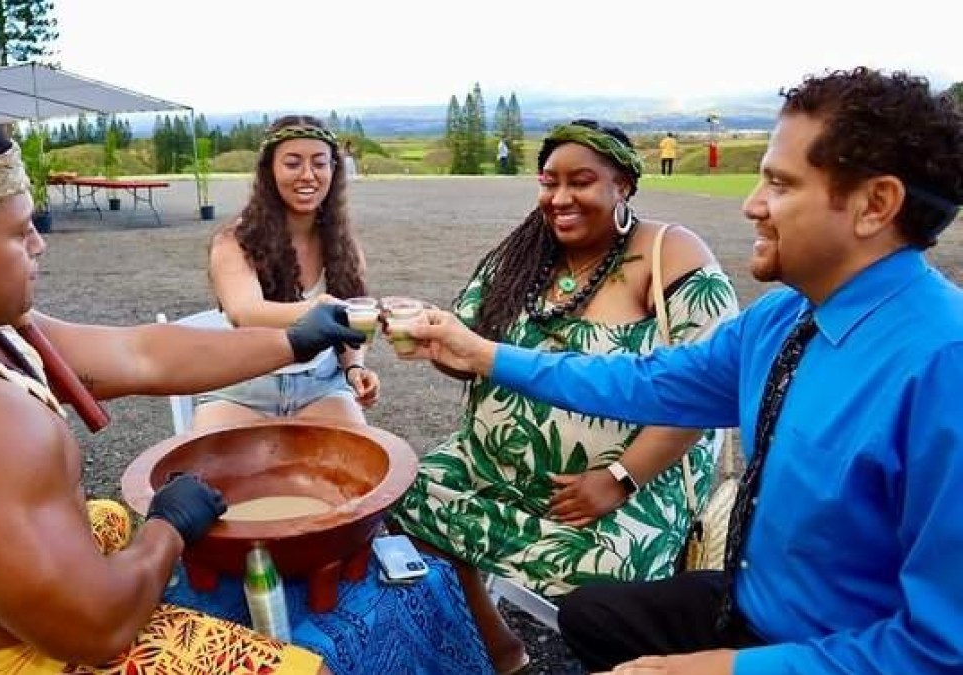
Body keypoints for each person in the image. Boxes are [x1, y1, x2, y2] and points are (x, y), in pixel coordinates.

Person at [396, 67, 963, 675]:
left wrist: (720, 669)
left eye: (779, 183)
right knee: (590, 618)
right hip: (751, 605)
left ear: (875, 205)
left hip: (834, 647)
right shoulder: (784, 318)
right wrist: (486, 355)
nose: (752, 204)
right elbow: (644, 381)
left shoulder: (942, 368)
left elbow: (941, 649)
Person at [0, 111, 363, 674]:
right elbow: (98, 629)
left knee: (107, 515)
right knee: (305, 668)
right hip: (8, 657)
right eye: (20, 232)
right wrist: (167, 528)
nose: (39, 244)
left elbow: (138, 354)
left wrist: (292, 341)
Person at [389, 119, 739, 674]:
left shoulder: (671, 254)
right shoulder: (519, 257)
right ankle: (499, 645)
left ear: (623, 184)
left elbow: (704, 389)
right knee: (403, 496)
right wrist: (436, 344)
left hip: (632, 478)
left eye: (581, 181)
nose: (560, 198)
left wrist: (618, 479)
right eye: (549, 182)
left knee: (612, 576)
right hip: (492, 462)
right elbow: (471, 355)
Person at [193, 115, 379, 429]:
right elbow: (244, 313)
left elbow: (350, 324)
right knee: (215, 461)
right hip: (243, 384)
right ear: (269, 170)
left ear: (334, 170)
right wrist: (318, 308)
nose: (308, 175)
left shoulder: (344, 246)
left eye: (319, 163)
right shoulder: (234, 241)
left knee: (358, 457)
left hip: (321, 386)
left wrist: (354, 369)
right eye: (293, 163)